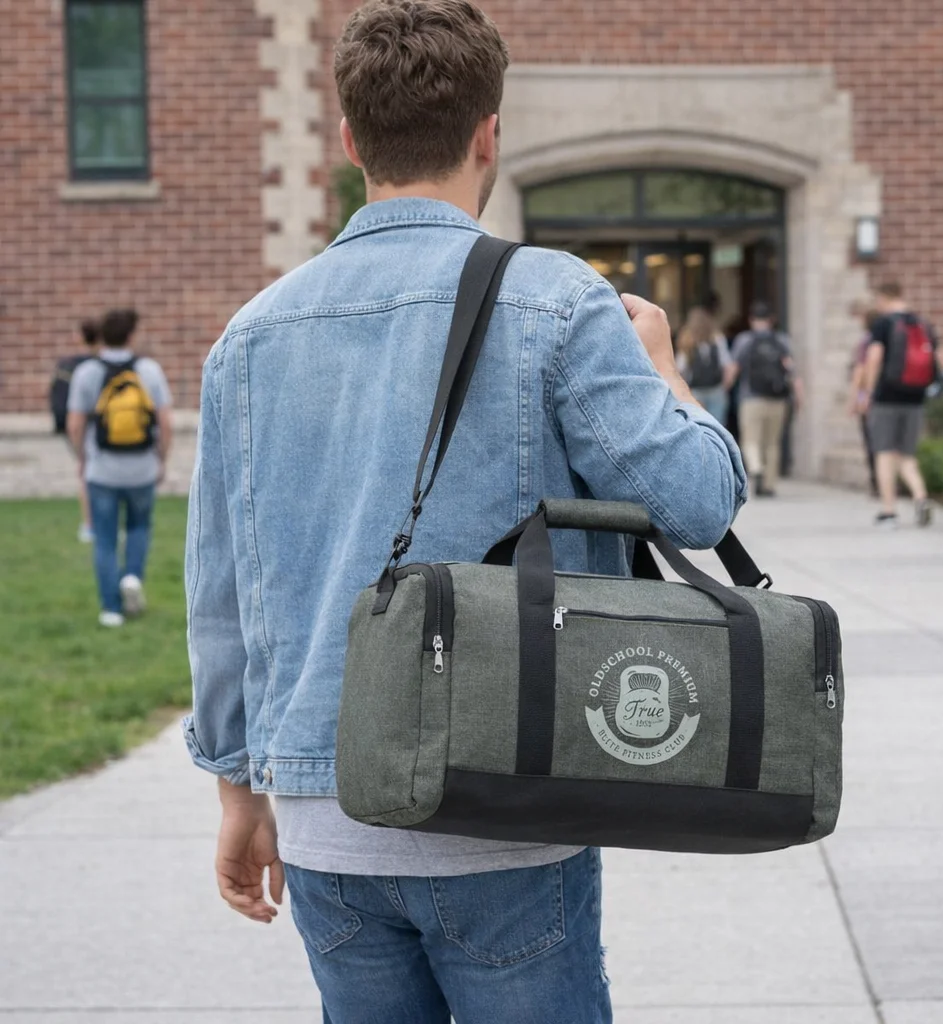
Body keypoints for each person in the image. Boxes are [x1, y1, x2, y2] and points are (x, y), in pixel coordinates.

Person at [183, 2, 747, 1021]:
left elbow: (221, 592)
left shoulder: (250, 335)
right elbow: (699, 501)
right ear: (490, 130)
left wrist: (236, 787)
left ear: (350, 139)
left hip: (323, 809)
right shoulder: (557, 303)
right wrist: (665, 372)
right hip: (505, 802)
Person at [66, 309, 173, 627]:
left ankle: (111, 609)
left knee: (105, 537)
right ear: (131, 336)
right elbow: (165, 422)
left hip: (102, 471)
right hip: (141, 469)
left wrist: (82, 458)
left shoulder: (87, 373)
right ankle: (132, 577)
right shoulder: (149, 371)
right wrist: (161, 459)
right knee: (140, 526)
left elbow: (74, 424)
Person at [861, 280, 942, 527]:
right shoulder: (922, 323)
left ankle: (889, 511)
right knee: (907, 455)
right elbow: (940, 358)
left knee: (884, 453)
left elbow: (874, 358)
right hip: (915, 397)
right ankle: (921, 497)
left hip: (887, 397)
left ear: (884, 297)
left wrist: (867, 392)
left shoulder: (883, 323)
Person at [732, 302, 803, 497]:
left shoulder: (744, 340)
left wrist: (727, 386)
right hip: (777, 399)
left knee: (750, 440)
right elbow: (791, 370)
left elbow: (734, 368)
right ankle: (769, 485)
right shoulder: (781, 340)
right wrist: (798, 396)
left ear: (751, 320)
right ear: (771, 320)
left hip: (751, 399)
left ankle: (756, 467)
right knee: (772, 443)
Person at [50, 319, 102, 542]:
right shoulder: (102, 365)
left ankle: (89, 525)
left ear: (80, 336)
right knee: (102, 476)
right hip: (102, 427)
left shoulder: (67, 365)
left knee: (84, 472)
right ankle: (105, 523)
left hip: (75, 426)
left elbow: (59, 400)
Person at [674, 305, 737, 425]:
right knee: (718, 425)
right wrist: (725, 386)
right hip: (716, 388)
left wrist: (683, 391)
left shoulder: (686, 340)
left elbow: (679, 368)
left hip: (695, 390)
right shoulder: (717, 338)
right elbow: (728, 364)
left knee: (697, 425)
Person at [847, 305, 880, 497]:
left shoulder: (866, 341)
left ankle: (877, 483)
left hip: (868, 397)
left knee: (871, 442)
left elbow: (860, 372)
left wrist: (854, 400)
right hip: (887, 397)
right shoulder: (888, 339)